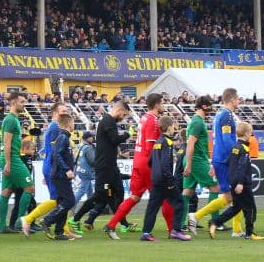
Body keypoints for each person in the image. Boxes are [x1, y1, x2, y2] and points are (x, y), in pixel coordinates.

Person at [105, 93, 173, 240]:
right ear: (156, 104)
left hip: (138, 161)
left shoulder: (144, 118)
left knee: (135, 197)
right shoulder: (153, 121)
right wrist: (158, 168)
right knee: (165, 197)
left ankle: (111, 225)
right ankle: (172, 230)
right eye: (162, 103)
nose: (163, 106)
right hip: (147, 164)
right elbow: (151, 147)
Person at [190, 89, 244, 236]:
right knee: (233, 195)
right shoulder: (226, 116)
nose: (239, 101)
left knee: (233, 196)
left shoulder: (221, 115)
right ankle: (197, 216)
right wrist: (237, 152)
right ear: (232, 99)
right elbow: (226, 139)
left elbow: (218, 140)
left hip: (221, 159)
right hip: (225, 159)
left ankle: (236, 229)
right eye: (238, 98)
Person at [72, 102, 130, 229]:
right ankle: (76, 219)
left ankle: (123, 223)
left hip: (111, 165)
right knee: (102, 196)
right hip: (104, 166)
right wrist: (127, 134)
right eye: (124, 115)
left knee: (117, 193)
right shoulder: (108, 120)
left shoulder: (109, 121)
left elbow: (112, 141)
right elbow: (115, 139)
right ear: (119, 110)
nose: (123, 118)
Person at [206, 122, 263, 240]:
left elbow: (228, 162)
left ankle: (214, 222)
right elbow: (242, 166)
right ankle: (250, 233)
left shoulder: (235, 147)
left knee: (236, 208)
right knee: (250, 207)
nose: (251, 134)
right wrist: (241, 183)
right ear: (246, 133)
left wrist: (216, 168)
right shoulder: (244, 148)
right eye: (250, 132)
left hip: (232, 181)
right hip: (243, 183)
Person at [21, 102, 68, 236]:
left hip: (51, 166)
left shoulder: (55, 127)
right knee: (58, 200)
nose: (66, 113)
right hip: (54, 166)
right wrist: (55, 170)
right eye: (63, 111)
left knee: (61, 199)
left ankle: (64, 229)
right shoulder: (55, 128)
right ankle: (28, 219)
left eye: (67, 111)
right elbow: (55, 152)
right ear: (55, 113)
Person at [39, 113, 81, 241]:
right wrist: (66, 169)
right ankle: (47, 220)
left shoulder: (63, 137)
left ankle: (59, 231)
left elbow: (56, 155)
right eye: (73, 123)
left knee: (63, 202)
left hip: (59, 174)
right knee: (69, 201)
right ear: (69, 124)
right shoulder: (63, 137)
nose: (74, 125)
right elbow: (57, 155)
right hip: (60, 175)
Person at [0, 91, 34, 234]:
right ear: (13, 103)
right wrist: (8, 162)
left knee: (7, 191)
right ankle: (20, 222)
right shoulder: (11, 120)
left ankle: (2, 226)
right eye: (22, 102)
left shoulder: (13, 119)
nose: (24, 104)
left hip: (10, 158)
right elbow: (7, 142)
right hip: (12, 159)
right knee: (29, 188)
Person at [182, 96, 215, 233]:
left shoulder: (195, 121)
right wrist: (189, 165)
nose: (212, 108)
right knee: (215, 187)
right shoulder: (198, 122)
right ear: (204, 106)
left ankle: (179, 223)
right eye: (210, 105)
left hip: (192, 159)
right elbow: (190, 143)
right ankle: (215, 222)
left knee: (188, 191)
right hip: (196, 160)